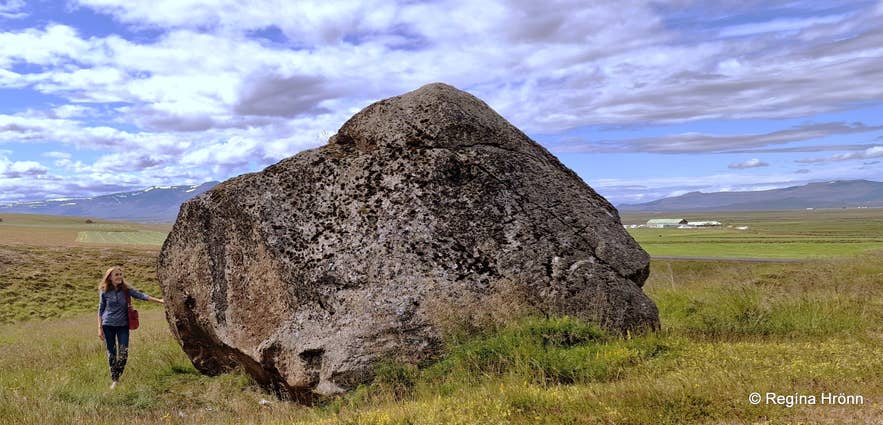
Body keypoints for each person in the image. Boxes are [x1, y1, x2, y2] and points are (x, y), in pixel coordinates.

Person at [97, 266, 164, 389]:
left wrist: (159, 301)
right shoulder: (104, 290)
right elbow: (100, 310)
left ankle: (117, 376)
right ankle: (115, 380)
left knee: (123, 353)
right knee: (111, 353)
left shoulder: (126, 290)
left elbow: (142, 296)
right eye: (116, 275)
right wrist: (99, 328)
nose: (119, 277)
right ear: (110, 277)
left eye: (120, 274)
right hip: (108, 325)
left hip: (123, 325)